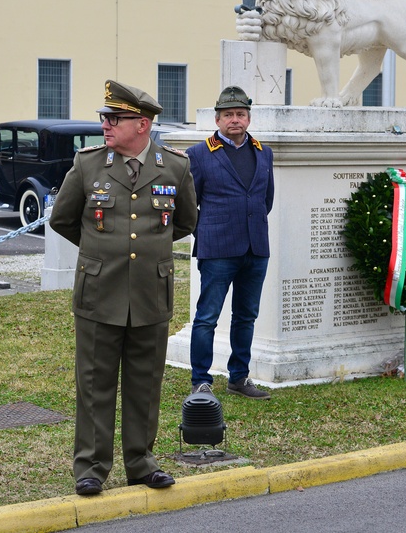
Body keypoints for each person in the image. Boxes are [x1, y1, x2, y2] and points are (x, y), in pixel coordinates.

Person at [49, 79, 197, 496]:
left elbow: (185, 223)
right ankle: (92, 467)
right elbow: (63, 219)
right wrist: (101, 252)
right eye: (105, 118)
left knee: (145, 382)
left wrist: (148, 252)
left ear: (143, 125)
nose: (106, 125)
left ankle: (141, 462)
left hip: (150, 291)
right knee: (95, 383)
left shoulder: (175, 167)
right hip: (100, 291)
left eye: (115, 119)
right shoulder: (89, 165)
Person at [186, 86, 274, 399]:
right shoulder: (198, 154)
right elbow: (188, 203)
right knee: (207, 317)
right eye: (228, 115)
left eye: (240, 114)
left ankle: (239, 377)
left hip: (255, 248)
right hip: (218, 249)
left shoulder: (264, 152)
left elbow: (267, 199)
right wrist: (206, 232)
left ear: (248, 118)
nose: (234, 120)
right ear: (217, 119)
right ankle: (201, 380)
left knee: (246, 316)